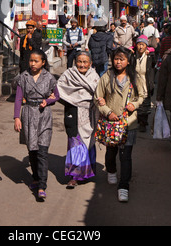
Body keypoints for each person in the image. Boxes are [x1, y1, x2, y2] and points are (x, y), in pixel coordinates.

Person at [94, 46, 144, 202]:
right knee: (111, 153)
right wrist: (108, 111)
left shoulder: (135, 78)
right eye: (116, 59)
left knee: (126, 155)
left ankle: (124, 186)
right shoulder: (106, 76)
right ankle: (111, 170)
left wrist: (134, 105)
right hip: (111, 124)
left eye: (122, 59)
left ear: (128, 61)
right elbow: (98, 97)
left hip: (129, 123)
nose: (118, 62)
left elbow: (142, 96)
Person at [14, 50, 59, 200]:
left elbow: (57, 95)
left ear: (43, 62)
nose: (33, 64)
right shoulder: (23, 77)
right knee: (32, 150)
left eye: (36, 61)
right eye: (31, 61)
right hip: (28, 114)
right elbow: (19, 99)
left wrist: (49, 101)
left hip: (44, 115)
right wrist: (16, 118)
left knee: (42, 151)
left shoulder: (50, 78)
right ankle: (35, 177)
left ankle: (42, 186)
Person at [57, 51, 100, 188]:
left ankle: (87, 171)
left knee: (88, 143)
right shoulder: (69, 74)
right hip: (73, 112)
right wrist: (72, 100)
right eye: (79, 61)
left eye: (85, 62)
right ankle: (74, 176)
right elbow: (60, 89)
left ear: (90, 63)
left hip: (89, 113)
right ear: (75, 62)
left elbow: (99, 93)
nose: (82, 64)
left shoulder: (94, 76)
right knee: (75, 143)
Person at [134, 35, 156, 132]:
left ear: (146, 46)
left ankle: (143, 122)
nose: (141, 47)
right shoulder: (133, 55)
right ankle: (138, 120)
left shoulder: (149, 56)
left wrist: (151, 52)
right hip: (135, 83)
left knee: (145, 104)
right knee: (137, 103)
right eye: (139, 44)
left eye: (143, 45)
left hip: (145, 83)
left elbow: (154, 61)